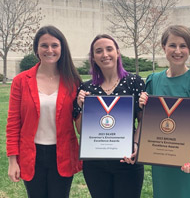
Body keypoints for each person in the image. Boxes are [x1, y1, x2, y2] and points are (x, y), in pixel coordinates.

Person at [6, 25, 82, 198]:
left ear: (62, 48)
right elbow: (13, 123)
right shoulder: (21, 81)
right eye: (44, 45)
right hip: (32, 155)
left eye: (54, 45)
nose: (49, 50)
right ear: (36, 49)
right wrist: (12, 161)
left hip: (63, 154)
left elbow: (80, 121)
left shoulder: (73, 81)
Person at [139, 25, 190, 198]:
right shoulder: (153, 81)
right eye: (172, 45)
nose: (177, 51)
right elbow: (146, 123)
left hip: (188, 160)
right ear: (164, 47)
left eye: (183, 46)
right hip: (161, 160)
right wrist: (144, 107)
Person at [73, 34, 145, 198]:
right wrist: (81, 106)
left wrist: (136, 144)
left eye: (109, 49)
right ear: (93, 57)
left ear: (118, 52)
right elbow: (80, 130)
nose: (104, 54)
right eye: (98, 51)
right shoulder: (86, 88)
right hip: (95, 164)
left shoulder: (134, 82)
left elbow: (143, 119)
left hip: (127, 160)